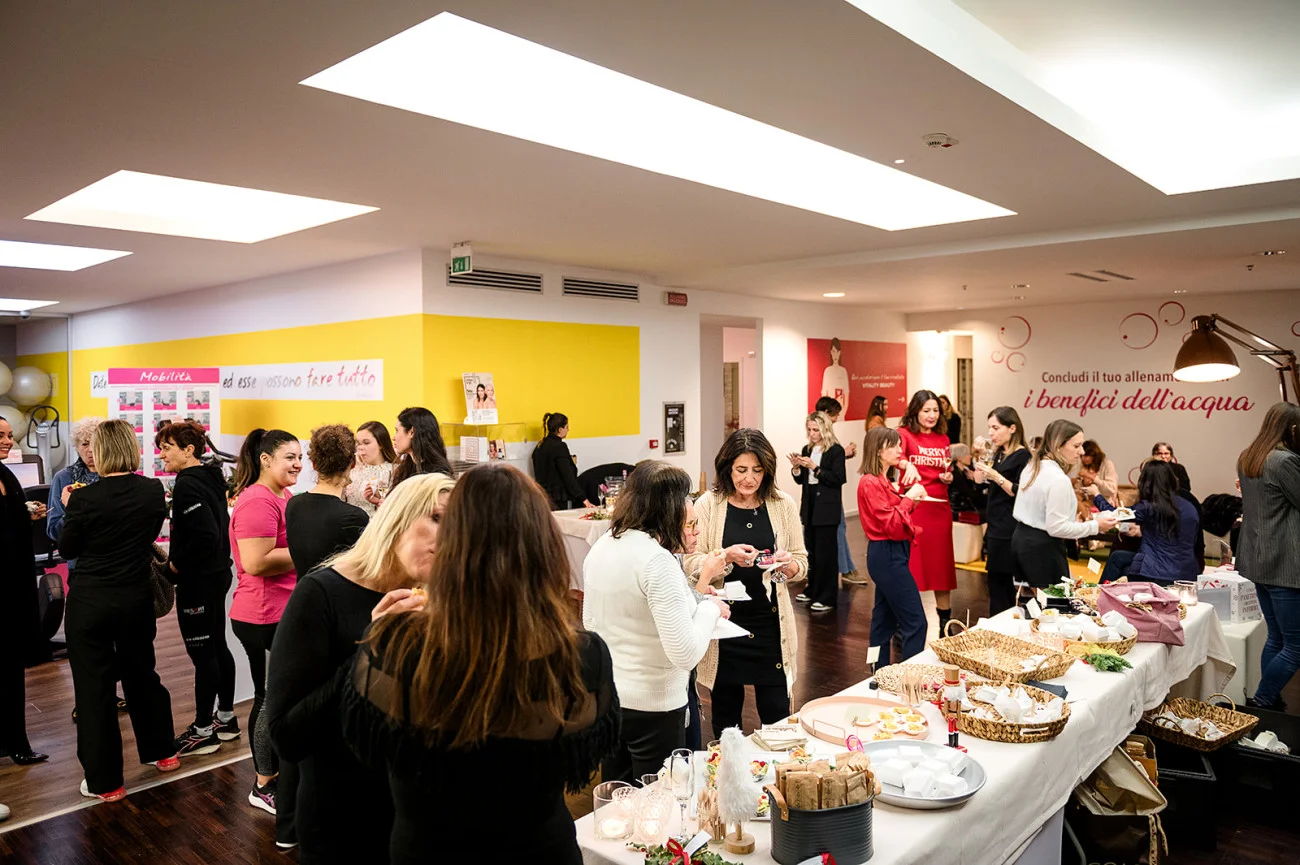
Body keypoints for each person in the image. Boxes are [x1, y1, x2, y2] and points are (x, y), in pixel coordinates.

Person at [340, 464, 619, 864]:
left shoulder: (396, 646)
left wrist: (376, 639)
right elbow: (588, 751)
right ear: (543, 546)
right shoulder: (583, 654)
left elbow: (365, 744)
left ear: (452, 545)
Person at [267, 473, 455, 865]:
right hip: (344, 818)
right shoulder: (321, 594)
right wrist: (371, 653)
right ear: (397, 517)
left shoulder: (441, 598)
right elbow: (287, 737)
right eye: (438, 518)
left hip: (422, 815)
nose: (450, 538)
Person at [582, 462, 728, 782]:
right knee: (660, 801)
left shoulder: (604, 544)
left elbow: (591, 625)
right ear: (668, 509)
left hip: (611, 699)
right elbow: (686, 653)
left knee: (617, 799)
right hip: (655, 706)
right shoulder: (656, 559)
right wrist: (710, 610)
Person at [59, 419, 176, 801]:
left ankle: (106, 783)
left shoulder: (83, 499)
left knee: (94, 689)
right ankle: (162, 752)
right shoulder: (152, 490)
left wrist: (68, 508)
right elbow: (147, 534)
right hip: (135, 600)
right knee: (142, 673)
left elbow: (68, 547)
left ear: (102, 450)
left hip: (91, 603)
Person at [684, 429, 807, 736]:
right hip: (724, 627)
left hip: (771, 626)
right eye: (741, 470)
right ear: (727, 468)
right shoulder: (708, 505)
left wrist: (788, 565)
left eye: (757, 470)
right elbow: (690, 563)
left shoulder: (783, 504)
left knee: (777, 719)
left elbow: (801, 562)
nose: (749, 479)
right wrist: (724, 557)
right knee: (726, 724)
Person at [229, 428, 301, 816]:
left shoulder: (282, 496)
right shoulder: (257, 500)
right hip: (260, 615)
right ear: (266, 459)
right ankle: (263, 784)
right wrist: (309, 547)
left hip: (280, 610)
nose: (298, 464)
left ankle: (279, 772)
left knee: (281, 696)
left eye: (300, 457)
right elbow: (256, 562)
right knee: (268, 698)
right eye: (290, 457)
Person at [157, 421, 239, 757]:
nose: (162, 455)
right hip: (216, 575)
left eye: (167, 448)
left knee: (203, 654)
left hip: (200, 581)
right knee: (217, 646)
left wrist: (175, 565)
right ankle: (226, 719)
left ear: (188, 450)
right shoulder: (210, 477)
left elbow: (205, 535)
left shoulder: (188, 484)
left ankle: (204, 730)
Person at [1237, 402, 1300, 711]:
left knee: (1276, 638)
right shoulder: (1284, 461)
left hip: (1259, 562)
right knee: (1296, 646)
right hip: (1285, 566)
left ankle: (1270, 701)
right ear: (1292, 430)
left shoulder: (1248, 457)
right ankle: (1262, 702)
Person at [1012, 421, 1119, 588]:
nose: (1081, 451)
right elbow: (1056, 528)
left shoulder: (1032, 467)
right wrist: (1096, 526)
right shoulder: (1058, 479)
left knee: (1034, 599)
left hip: (1022, 540)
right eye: (1076, 446)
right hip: (1043, 548)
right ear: (1058, 446)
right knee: (1052, 603)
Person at [0, 416, 49, 767]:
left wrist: (27, 516)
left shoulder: (7, 475)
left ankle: (17, 742)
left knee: (11, 668)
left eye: (9, 435)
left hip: (13, 586)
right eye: (0, 436)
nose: (8, 441)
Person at [858, 426, 928, 664]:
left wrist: (910, 501)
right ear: (879, 450)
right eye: (895, 446)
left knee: (883, 621)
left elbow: (895, 517)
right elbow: (892, 524)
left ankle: (878, 672)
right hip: (886, 554)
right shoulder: (870, 483)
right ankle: (910, 676)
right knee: (916, 622)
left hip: (890, 553)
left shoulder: (881, 481)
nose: (900, 451)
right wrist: (909, 498)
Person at [896, 390, 957, 631]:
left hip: (940, 508)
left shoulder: (943, 439)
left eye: (935, 411)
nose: (932, 415)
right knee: (912, 566)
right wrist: (907, 464)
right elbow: (896, 457)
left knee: (942, 567)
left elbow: (946, 469)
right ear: (916, 411)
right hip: (915, 508)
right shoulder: (904, 434)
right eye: (926, 410)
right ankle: (904, 622)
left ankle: (945, 621)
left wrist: (948, 477)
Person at [287, 425, 369, 578]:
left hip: (302, 592)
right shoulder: (353, 517)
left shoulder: (293, 505)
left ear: (314, 464)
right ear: (352, 464)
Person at [790, 411, 846, 611]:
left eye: (816, 430)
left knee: (826, 554)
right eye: (809, 430)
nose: (812, 434)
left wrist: (815, 467)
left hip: (827, 508)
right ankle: (812, 589)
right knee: (811, 551)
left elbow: (837, 479)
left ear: (825, 429)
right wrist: (797, 468)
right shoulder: (807, 449)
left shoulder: (836, 451)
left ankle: (827, 596)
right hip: (810, 504)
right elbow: (801, 480)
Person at [979, 408, 1031, 614]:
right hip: (995, 524)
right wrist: (981, 458)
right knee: (996, 584)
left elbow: (1020, 492)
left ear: (1012, 428)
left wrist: (996, 477)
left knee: (1002, 585)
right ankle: (1000, 623)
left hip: (1009, 527)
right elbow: (979, 481)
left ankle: (1003, 624)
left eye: (996, 428)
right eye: (989, 428)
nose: (991, 433)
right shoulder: (999, 454)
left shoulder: (1023, 456)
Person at [1123, 460, 1201, 586]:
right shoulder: (1189, 506)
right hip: (1188, 572)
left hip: (1153, 573)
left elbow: (1114, 514)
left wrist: (1097, 495)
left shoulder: (1148, 507)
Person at [815, 397, 862, 585]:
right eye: (835, 415)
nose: (836, 419)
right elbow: (822, 462)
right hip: (826, 492)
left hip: (825, 491)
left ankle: (845, 568)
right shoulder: (822, 435)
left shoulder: (824, 435)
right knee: (838, 529)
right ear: (827, 413)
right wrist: (843, 452)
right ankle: (846, 569)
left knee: (832, 530)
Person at [46, 415, 104, 563]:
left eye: (96, 443)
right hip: (79, 561)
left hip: (113, 559)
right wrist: (72, 509)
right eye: (85, 444)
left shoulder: (115, 476)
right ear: (76, 447)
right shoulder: (64, 478)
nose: (91, 450)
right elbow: (53, 531)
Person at [532, 412, 593, 510]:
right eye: (566, 427)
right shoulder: (559, 447)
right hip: (557, 500)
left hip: (541, 496)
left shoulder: (540, 446)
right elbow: (567, 476)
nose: (568, 430)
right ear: (560, 429)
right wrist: (584, 499)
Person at [389, 407, 452, 491]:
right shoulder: (406, 467)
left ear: (412, 432)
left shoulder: (436, 474)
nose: (393, 438)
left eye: (397, 431)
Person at [344, 421, 396, 515]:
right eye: (358, 443)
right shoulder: (351, 471)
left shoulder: (395, 471)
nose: (360, 448)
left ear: (381, 444)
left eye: (366, 443)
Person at [947, 443, 986, 522]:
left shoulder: (964, 472)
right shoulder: (955, 475)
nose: (970, 456)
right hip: (958, 510)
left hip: (965, 507)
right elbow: (971, 494)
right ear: (959, 458)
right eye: (967, 454)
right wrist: (991, 499)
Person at [1076, 440, 1119, 507]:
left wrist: (1093, 478)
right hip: (1088, 500)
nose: (1083, 459)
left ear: (1094, 455)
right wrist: (1083, 483)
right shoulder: (1085, 466)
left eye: (1086, 456)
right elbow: (1080, 489)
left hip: (1104, 503)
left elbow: (1111, 490)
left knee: (1080, 506)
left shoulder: (1107, 465)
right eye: (1081, 456)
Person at [820, 337, 850, 417]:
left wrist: (842, 414)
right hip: (829, 413)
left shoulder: (843, 371)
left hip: (841, 412)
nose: (835, 355)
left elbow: (846, 396)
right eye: (833, 351)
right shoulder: (827, 371)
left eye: (837, 352)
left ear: (840, 353)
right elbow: (824, 395)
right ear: (831, 352)